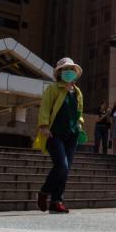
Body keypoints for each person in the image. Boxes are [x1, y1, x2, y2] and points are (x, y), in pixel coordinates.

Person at [36, 58, 85, 214]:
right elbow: (45, 107)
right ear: (59, 73)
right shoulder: (53, 89)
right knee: (61, 166)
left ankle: (57, 201)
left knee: (66, 169)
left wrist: (80, 125)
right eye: (65, 69)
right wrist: (43, 125)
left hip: (72, 135)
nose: (68, 71)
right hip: (54, 134)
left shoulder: (77, 92)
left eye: (71, 69)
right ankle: (44, 192)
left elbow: (79, 113)